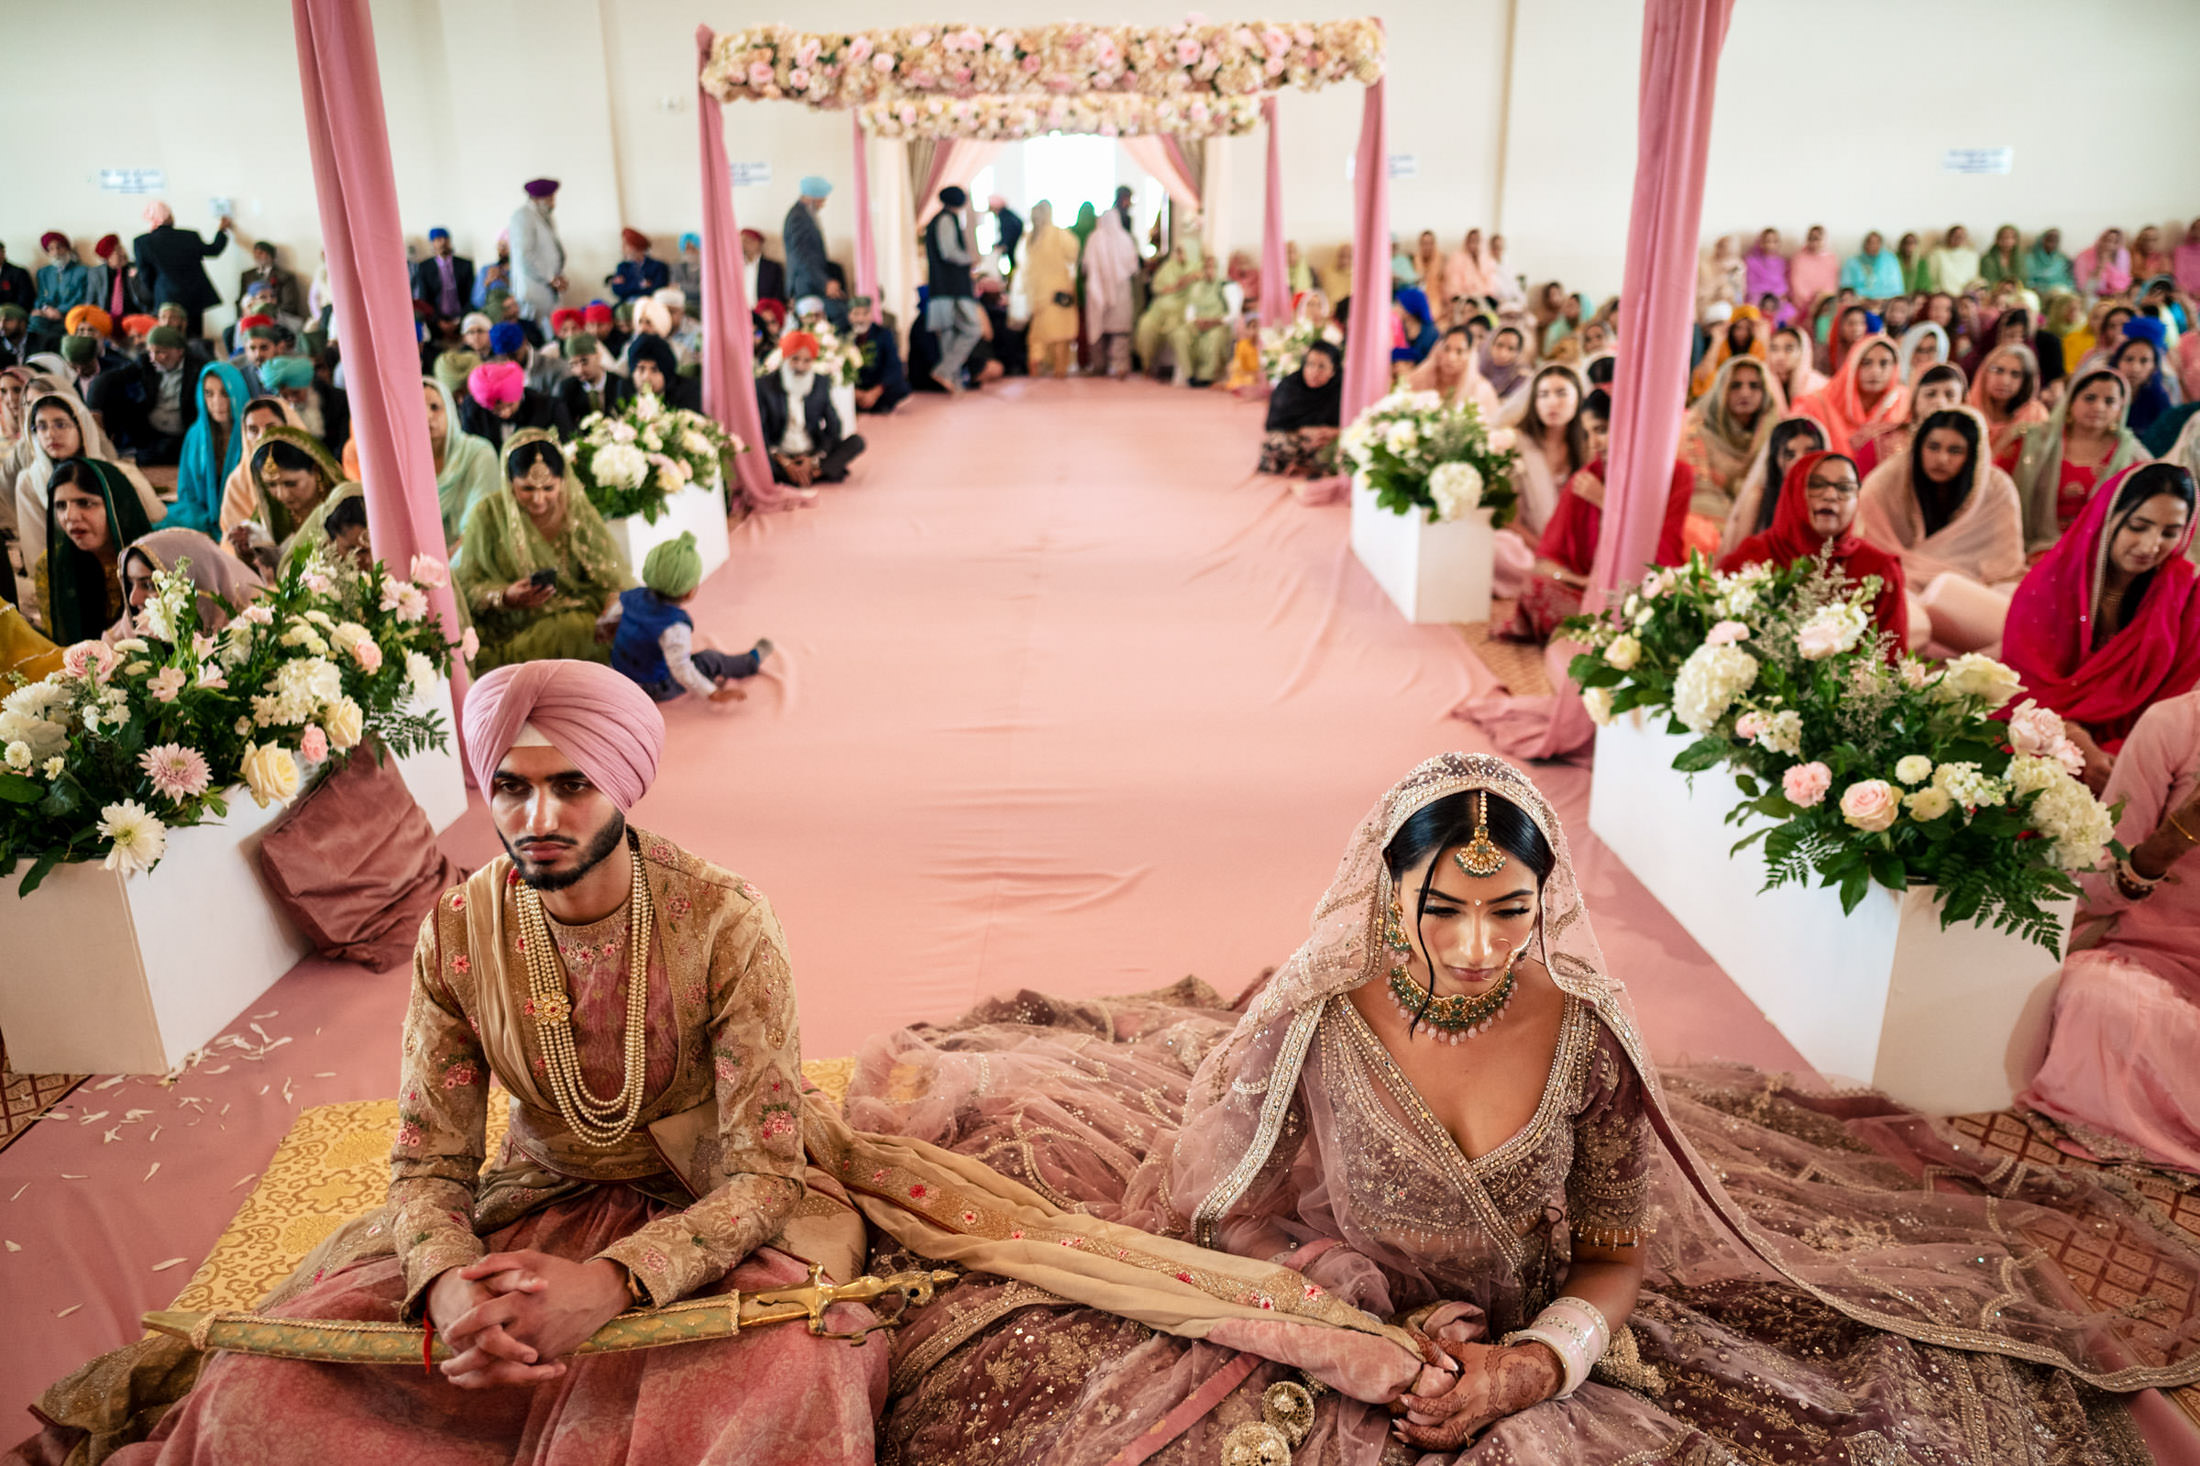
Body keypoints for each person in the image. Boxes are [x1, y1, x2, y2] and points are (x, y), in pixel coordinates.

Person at [832, 750, 2186, 1461]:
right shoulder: (1316, 1018)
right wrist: (1344, 1282)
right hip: (1345, 1321)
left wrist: (1535, 1364)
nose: (1479, 948)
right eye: (1444, 912)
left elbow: (1612, 1250)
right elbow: (1212, 1210)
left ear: (1550, 904)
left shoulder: (1590, 1032)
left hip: (1529, 1330)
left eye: (1510, 912)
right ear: (1388, 900)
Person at [24, 658, 889, 1463]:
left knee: (791, 1376)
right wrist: (445, 1290)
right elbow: (427, 1161)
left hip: (708, 1207)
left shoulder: (725, 922)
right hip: (534, 1203)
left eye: (571, 785)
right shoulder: (459, 931)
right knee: (256, 1395)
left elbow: (767, 1175)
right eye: (510, 788)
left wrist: (613, 1284)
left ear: (623, 785)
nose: (537, 820)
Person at [2022, 687, 2200, 1170]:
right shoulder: (2176, 726)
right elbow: (2094, 876)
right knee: (2100, 1005)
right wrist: (2166, 846)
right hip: (2151, 963)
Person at [2006, 463, 2200, 788]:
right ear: (2106, 518)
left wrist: (2124, 753)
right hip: (2047, 733)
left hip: (2139, 746)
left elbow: (2173, 702)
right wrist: (2074, 738)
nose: (2151, 546)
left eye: (2170, 533)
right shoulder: (2049, 584)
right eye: (2138, 526)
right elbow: (2025, 691)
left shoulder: (2186, 597)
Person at [1508, 388, 1692, 639]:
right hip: (1590, 593)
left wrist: (1606, 501)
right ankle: (1607, 630)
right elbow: (1544, 564)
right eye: (1588, 433)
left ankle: (1603, 631)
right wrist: (1579, 580)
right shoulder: (1584, 481)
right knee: (1535, 589)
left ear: (1630, 426)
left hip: (1646, 591)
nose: (1594, 443)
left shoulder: (1675, 476)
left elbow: (1664, 556)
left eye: (1602, 430)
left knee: (1675, 604)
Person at [1856, 406, 2025, 653]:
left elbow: (2004, 568)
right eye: (1933, 447)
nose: (1942, 459)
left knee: (2008, 602)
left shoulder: (1997, 488)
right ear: (1918, 446)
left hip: (1974, 589)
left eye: (1955, 451)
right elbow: (1869, 551)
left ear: (1973, 456)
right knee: (1905, 608)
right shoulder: (1887, 480)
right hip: (1902, 584)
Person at [458, 432, 633, 671]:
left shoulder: (576, 512)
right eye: (527, 488)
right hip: (508, 624)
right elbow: (468, 586)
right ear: (509, 482)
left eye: (549, 488)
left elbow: (611, 576)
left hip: (574, 611)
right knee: (568, 632)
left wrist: (611, 609)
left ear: (563, 480)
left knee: (612, 625)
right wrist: (505, 596)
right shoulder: (487, 515)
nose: (539, 499)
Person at [1722, 450, 1907, 648]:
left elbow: (1889, 661)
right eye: (1816, 485)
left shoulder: (1878, 569)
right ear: (1793, 489)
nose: (1830, 495)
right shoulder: (1752, 557)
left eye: (1844, 488)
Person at [607, 532, 772, 704]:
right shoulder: (674, 626)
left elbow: (611, 619)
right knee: (709, 659)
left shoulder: (630, 597)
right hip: (653, 687)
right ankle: (750, 662)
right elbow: (681, 669)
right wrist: (712, 692)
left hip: (620, 674)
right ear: (689, 592)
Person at [13, 389, 163, 578]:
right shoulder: (30, 481)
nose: (50, 434)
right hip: (65, 575)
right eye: (41, 427)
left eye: (60, 424)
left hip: (127, 570)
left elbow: (155, 517)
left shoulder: (117, 473)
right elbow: (36, 550)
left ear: (81, 426)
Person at [2011, 366, 2147, 556]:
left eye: (2109, 401)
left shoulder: (2132, 455)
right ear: (2070, 401)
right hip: (2031, 550)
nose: (2098, 407)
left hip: (2101, 557)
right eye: (2090, 398)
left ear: (2120, 409)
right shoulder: (2034, 442)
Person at [32, 457, 156, 640]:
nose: (70, 516)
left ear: (118, 506)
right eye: (60, 506)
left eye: (85, 503)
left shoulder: (154, 559)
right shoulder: (52, 564)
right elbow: (61, 645)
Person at [1676, 354, 1784, 548]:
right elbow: (1698, 493)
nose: (1745, 393)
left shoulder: (1773, 434)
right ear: (1721, 389)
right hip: (1707, 525)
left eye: (1754, 386)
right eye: (1735, 385)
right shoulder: (1694, 430)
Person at [223, 425, 347, 571]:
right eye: (271, 485)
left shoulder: (345, 509)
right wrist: (247, 555)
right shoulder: (270, 515)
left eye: (291, 483)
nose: (281, 495)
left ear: (316, 470)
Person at [108, 526, 264, 641]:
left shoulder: (254, 630)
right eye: (130, 584)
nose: (133, 600)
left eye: (149, 585)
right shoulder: (129, 632)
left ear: (197, 586)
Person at [756, 331, 864, 488]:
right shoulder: (764, 385)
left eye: (807, 361)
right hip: (779, 454)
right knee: (757, 460)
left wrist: (814, 459)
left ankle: (810, 472)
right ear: (785, 358)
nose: (800, 366)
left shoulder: (820, 382)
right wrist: (783, 461)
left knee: (857, 442)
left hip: (811, 451)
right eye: (795, 359)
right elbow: (760, 430)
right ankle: (808, 475)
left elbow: (834, 425)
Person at [89, 325, 205, 464]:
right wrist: (94, 410)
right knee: (113, 396)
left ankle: (136, 457)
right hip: (149, 430)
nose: (154, 358)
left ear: (179, 352)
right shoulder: (146, 362)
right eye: (151, 352)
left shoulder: (198, 368)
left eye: (161, 352)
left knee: (168, 450)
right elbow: (108, 379)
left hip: (182, 433)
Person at [415, 374, 501, 551]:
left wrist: (444, 567)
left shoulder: (479, 453)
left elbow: (480, 524)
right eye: (417, 408)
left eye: (435, 407)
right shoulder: (405, 465)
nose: (427, 416)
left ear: (450, 410)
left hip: (471, 553)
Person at [1792, 332, 1908, 463]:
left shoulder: (1904, 403)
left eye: (1884, 363)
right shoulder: (1814, 405)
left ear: (1895, 368)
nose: (1875, 371)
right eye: (1866, 363)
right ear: (1851, 366)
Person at [1721, 413, 1827, 555]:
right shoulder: (1758, 498)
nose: (1800, 461)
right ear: (1776, 459)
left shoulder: (1830, 500)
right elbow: (1738, 559)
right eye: (1790, 455)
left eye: (1810, 452)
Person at [168, 359, 250, 535]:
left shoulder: (251, 434)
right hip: (201, 518)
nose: (217, 402)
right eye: (208, 393)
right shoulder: (195, 435)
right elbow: (187, 490)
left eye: (225, 393)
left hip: (243, 518)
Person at [130, 202, 234, 338]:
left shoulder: (142, 242)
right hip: (193, 297)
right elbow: (214, 250)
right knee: (195, 338)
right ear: (168, 217)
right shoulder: (189, 236)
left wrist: (156, 293)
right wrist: (222, 230)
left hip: (166, 297)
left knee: (170, 338)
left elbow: (145, 275)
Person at [923, 187, 984, 394]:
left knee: (950, 334)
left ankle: (954, 382)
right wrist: (971, 259)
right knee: (971, 328)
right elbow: (949, 252)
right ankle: (945, 372)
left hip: (943, 288)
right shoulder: (946, 220)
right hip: (953, 288)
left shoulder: (939, 220)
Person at [1258, 339, 1344, 478]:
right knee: (1275, 443)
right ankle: (1311, 467)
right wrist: (1304, 431)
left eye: (1322, 366)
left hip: (1328, 443)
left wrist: (1334, 432)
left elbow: (1354, 423)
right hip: (1299, 440)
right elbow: (1273, 424)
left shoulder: (1342, 389)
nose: (1314, 372)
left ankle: (1309, 468)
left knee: (1345, 451)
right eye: (1310, 365)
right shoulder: (1289, 386)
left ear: (1333, 370)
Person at [1967, 342, 2049, 473]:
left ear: (2025, 381)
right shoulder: (1967, 409)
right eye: (1998, 370)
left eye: (2015, 374)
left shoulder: (2035, 416)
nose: (2005, 381)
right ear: (1984, 372)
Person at [1020, 202, 1080, 378]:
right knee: (1060, 333)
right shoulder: (1059, 234)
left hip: (1038, 292)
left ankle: (1034, 364)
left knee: (1038, 333)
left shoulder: (1031, 238)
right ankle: (1059, 370)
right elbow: (1073, 253)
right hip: (1058, 290)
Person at [1081, 201, 1140, 380]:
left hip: (1099, 293)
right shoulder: (1125, 239)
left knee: (1103, 331)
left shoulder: (1094, 239)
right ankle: (1120, 367)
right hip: (1120, 293)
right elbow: (1133, 266)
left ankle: (1100, 366)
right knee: (1119, 333)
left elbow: (1085, 267)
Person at [460, 358, 573, 450]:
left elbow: (570, 446)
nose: (505, 413)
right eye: (496, 410)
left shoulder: (549, 407)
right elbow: (470, 450)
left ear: (519, 394)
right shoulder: (473, 411)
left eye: (510, 405)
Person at [258, 353, 350, 456]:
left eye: (295, 393)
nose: (292, 400)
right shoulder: (277, 410)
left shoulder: (339, 400)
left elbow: (345, 446)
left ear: (308, 384)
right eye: (285, 396)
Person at [1406, 325, 1502, 421]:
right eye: (1446, 349)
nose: (1450, 357)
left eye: (1459, 351)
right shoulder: (1421, 379)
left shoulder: (1482, 390)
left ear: (1469, 355)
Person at [508, 178, 567, 322]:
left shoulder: (544, 217)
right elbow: (525, 255)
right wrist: (550, 277)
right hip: (533, 291)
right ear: (537, 199)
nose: (553, 203)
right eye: (550, 199)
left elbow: (550, 252)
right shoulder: (523, 217)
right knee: (539, 335)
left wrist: (558, 276)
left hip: (549, 287)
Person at [2110, 320, 2174, 439]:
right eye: (2129, 359)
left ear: (2154, 367)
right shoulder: (2102, 392)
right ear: (2117, 362)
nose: (2135, 368)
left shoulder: (2160, 400)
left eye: (2144, 361)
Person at [783, 177, 835, 321]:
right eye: (821, 200)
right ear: (812, 198)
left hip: (810, 282)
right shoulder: (798, 218)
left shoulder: (803, 214)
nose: (822, 205)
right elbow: (803, 256)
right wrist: (824, 282)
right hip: (805, 286)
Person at [555, 333, 635, 425]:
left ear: (598, 356)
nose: (580, 370)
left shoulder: (620, 384)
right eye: (573, 364)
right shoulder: (568, 389)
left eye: (584, 361)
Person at [846, 295, 907, 414]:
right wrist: (855, 393)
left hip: (876, 387)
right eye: (856, 314)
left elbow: (893, 365)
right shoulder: (842, 336)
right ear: (849, 316)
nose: (861, 319)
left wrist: (874, 392)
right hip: (853, 388)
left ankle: (870, 403)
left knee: (899, 386)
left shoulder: (883, 334)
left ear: (871, 315)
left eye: (865, 314)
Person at [412, 227, 475, 334]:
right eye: (438, 240)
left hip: (463, 318)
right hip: (436, 321)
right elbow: (425, 299)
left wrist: (459, 320)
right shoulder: (424, 267)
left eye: (445, 239)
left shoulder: (465, 265)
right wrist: (439, 321)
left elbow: (471, 296)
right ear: (432, 243)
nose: (443, 243)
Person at [627, 333, 702, 414]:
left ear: (667, 374)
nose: (646, 377)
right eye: (641, 369)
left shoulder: (688, 392)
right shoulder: (624, 389)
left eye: (654, 370)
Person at [33, 232, 91, 326]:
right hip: (48, 314)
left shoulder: (83, 271)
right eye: (51, 249)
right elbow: (41, 297)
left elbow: (81, 298)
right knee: (35, 320)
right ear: (48, 252)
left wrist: (59, 311)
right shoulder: (43, 272)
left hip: (71, 313)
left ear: (67, 248)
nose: (56, 252)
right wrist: (45, 309)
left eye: (59, 247)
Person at [1763, 321, 1825, 405]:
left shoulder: (1817, 387)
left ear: (1802, 351)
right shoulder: (1764, 384)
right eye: (1774, 349)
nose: (1780, 357)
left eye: (1788, 349)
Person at [606, 228, 669, 304]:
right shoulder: (622, 267)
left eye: (626, 245)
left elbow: (658, 290)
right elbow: (618, 290)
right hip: (627, 304)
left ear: (636, 246)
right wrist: (640, 285)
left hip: (651, 303)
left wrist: (628, 285)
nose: (622, 249)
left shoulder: (658, 266)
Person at [1838, 231, 1905, 300]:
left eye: (1876, 242)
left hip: (1886, 302)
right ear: (1864, 244)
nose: (1873, 246)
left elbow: (1897, 288)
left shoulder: (1890, 260)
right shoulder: (1852, 262)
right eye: (1870, 242)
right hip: (1859, 302)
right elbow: (1846, 288)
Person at [2075, 228, 2131, 299]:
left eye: (2115, 242)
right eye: (2107, 240)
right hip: (2092, 296)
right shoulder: (2084, 256)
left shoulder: (2123, 255)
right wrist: (2101, 265)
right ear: (2100, 239)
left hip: (2115, 296)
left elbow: (2123, 284)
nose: (2109, 245)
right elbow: (2086, 289)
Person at [1922, 224, 1979, 295]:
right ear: (1949, 237)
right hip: (1943, 295)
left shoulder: (1972, 255)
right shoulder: (1937, 254)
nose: (1959, 238)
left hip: (1965, 296)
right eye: (1956, 236)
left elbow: (1974, 278)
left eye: (1962, 236)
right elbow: (1931, 277)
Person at [741, 228, 787, 307]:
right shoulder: (735, 267)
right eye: (743, 241)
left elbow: (779, 296)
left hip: (762, 313)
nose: (745, 244)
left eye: (750, 240)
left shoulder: (773, 268)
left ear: (759, 243)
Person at [672, 232, 704, 314]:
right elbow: (673, 289)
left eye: (693, 248)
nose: (690, 252)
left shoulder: (706, 268)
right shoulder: (677, 267)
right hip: (680, 306)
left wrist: (681, 287)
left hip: (701, 306)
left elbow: (702, 291)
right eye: (687, 249)